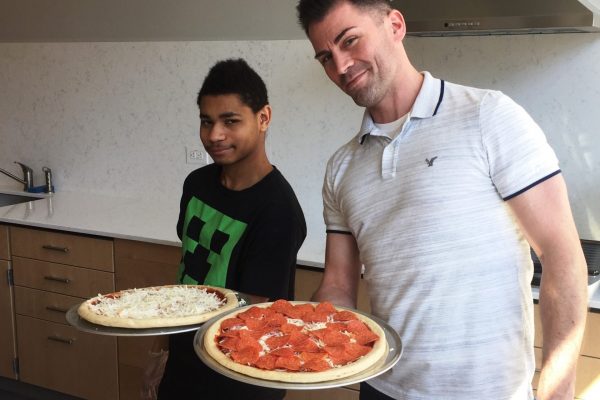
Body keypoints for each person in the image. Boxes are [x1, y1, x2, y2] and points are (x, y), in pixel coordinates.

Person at [296, 1, 588, 399]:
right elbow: (337, 286)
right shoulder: (342, 167)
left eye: (350, 41)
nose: (342, 66)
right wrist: (292, 335)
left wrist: (557, 393)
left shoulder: (488, 116)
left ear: (395, 24)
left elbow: (562, 255)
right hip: (383, 388)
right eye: (326, 57)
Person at [157, 58, 306, 400]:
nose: (214, 135)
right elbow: (185, 277)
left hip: (237, 380)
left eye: (230, 121)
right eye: (206, 121)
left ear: (263, 118)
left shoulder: (277, 210)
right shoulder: (196, 184)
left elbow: (251, 315)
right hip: (184, 361)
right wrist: (160, 349)